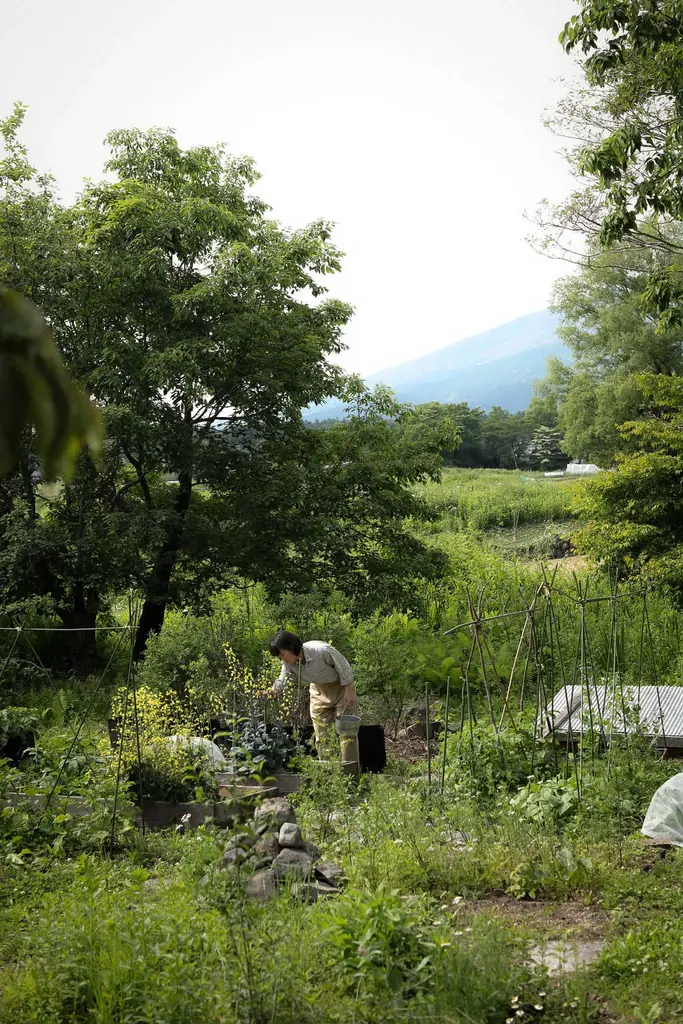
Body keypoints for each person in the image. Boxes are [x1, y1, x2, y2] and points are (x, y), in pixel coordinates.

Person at [267, 630, 358, 762]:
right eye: (279, 657)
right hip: (318, 691)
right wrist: (271, 692)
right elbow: (283, 680)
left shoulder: (321, 650)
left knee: (346, 733)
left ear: (291, 647)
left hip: (341, 688)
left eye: (282, 654)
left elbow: (343, 666)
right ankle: (328, 769)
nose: (283, 659)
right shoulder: (288, 664)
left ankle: (350, 770)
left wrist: (349, 689)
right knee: (322, 735)